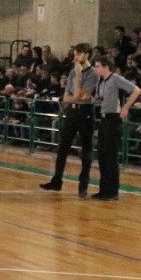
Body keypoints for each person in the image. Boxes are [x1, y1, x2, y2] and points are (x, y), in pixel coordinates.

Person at [41, 45, 96, 197]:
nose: (74, 58)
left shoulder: (92, 73)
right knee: (62, 147)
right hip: (72, 111)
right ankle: (56, 180)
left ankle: (83, 184)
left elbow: (80, 95)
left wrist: (78, 76)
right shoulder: (72, 72)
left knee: (86, 149)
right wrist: (77, 97)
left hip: (85, 113)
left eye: (77, 54)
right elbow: (66, 97)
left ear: (86, 55)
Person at [89, 52, 138, 201]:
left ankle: (112, 191)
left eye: (98, 66)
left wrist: (126, 107)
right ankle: (104, 189)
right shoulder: (101, 81)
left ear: (106, 66)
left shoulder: (116, 79)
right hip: (104, 119)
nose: (96, 69)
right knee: (102, 154)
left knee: (111, 156)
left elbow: (136, 90)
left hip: (113, 119)